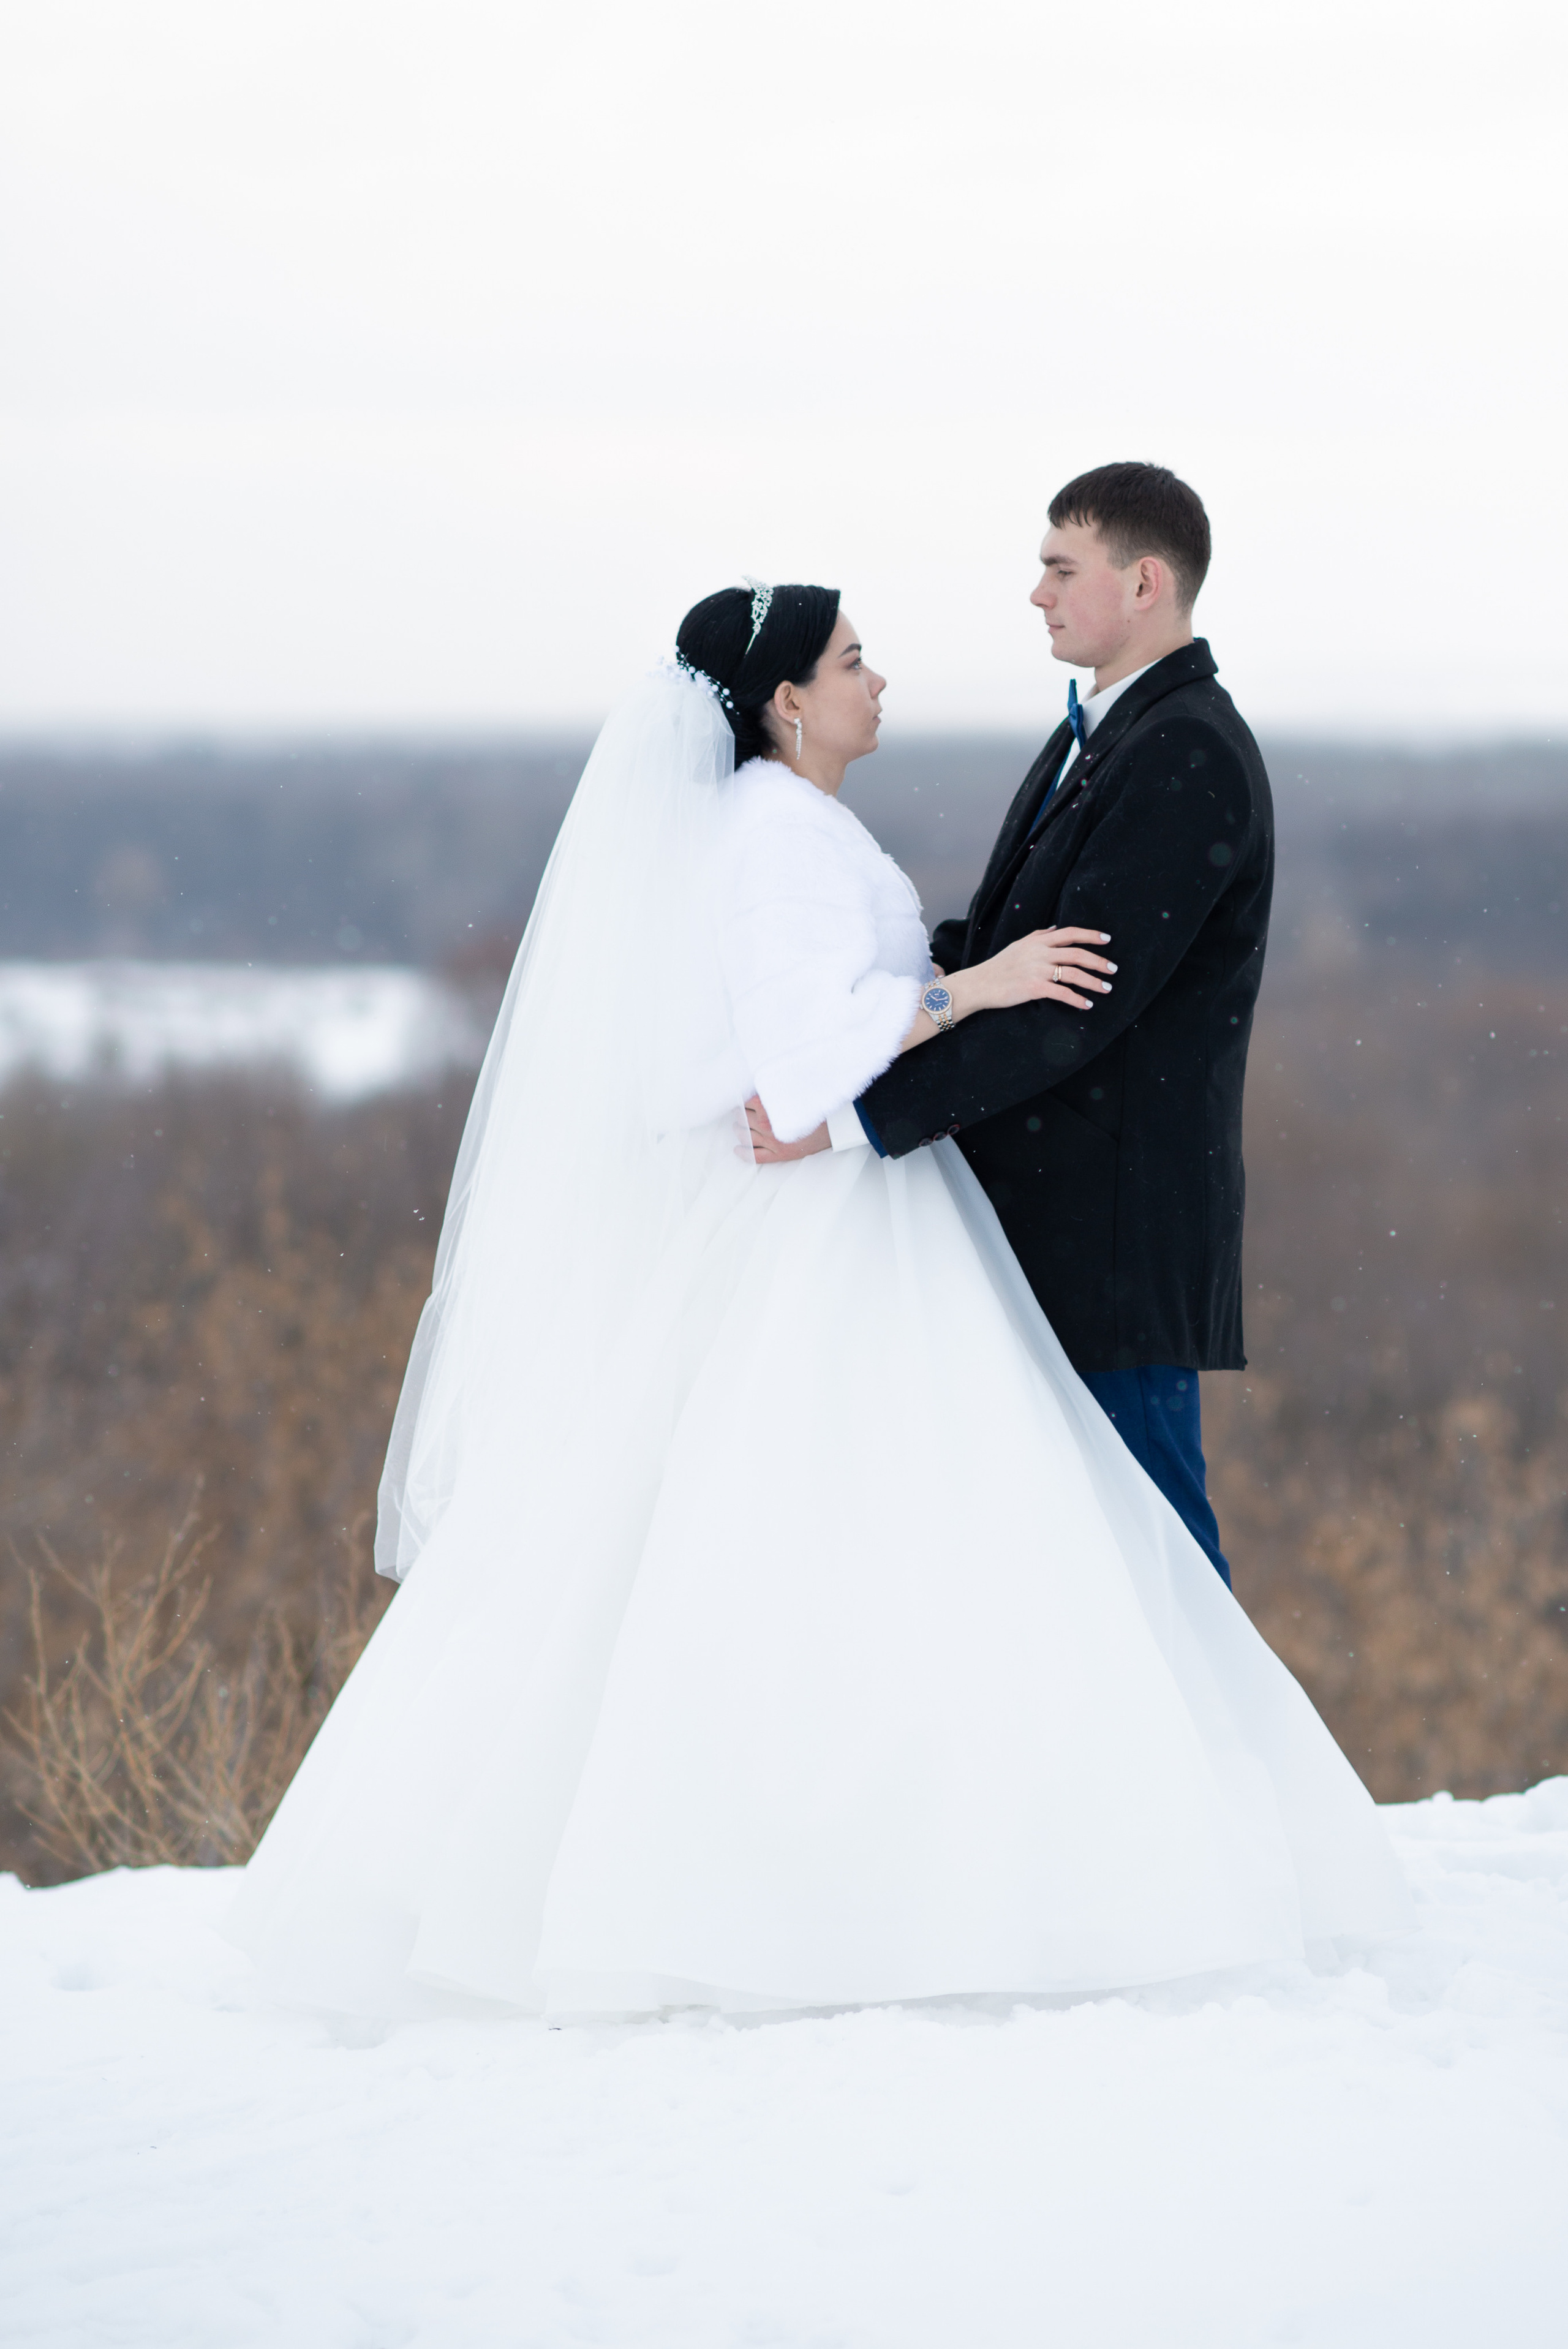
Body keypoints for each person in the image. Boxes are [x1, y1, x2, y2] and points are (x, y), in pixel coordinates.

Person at [227, 579, 1408, 2022]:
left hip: (850, 1211)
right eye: (852, 659)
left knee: (835, 1537)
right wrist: (974, 990)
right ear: (786, 700)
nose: (875, 678)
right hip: (829, 1229)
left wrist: (954, 978)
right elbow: (803, 1053)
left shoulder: (783, 825)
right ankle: (882, 1873)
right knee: (863, 1529)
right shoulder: (775, 835)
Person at [751, 465, 1262, 1588]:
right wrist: (882, 992)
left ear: (1143, 582)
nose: (1036, 593)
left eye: (1059, 569)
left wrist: (850, 1122)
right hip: (1041, 1226)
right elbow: (998, 949)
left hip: (1112, 1246)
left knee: (1156, 1564)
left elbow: (1071, 1012)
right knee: (1063, 1573)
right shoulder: (1094, 732)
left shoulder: (1186, 753)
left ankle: (1222, 1767)